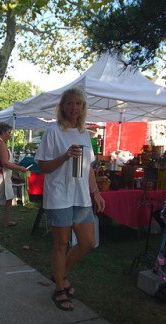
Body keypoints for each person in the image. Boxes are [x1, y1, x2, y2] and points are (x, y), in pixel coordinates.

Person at [34, 88, 105, 311]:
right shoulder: (53, 131)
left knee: (88, 242)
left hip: (81, 196)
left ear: (83, 108)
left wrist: (96, 192)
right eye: (70, 104)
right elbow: (42, 166)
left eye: (79, 104)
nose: (74, 108)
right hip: (59, 195)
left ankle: (60, 275)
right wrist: (65, 156)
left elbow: (89, 168)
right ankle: (59, 289)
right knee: (61, 243)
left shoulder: (85, 132)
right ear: (62, 107)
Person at [0, 123, 28, 235]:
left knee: (9, 198)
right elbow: (5, 163)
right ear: (3, 132)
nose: (10, 135)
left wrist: (13, 175)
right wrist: (21, 168)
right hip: (0, 175)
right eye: (9, 133)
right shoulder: (0, 144)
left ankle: (6, 221)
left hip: (3, 174)